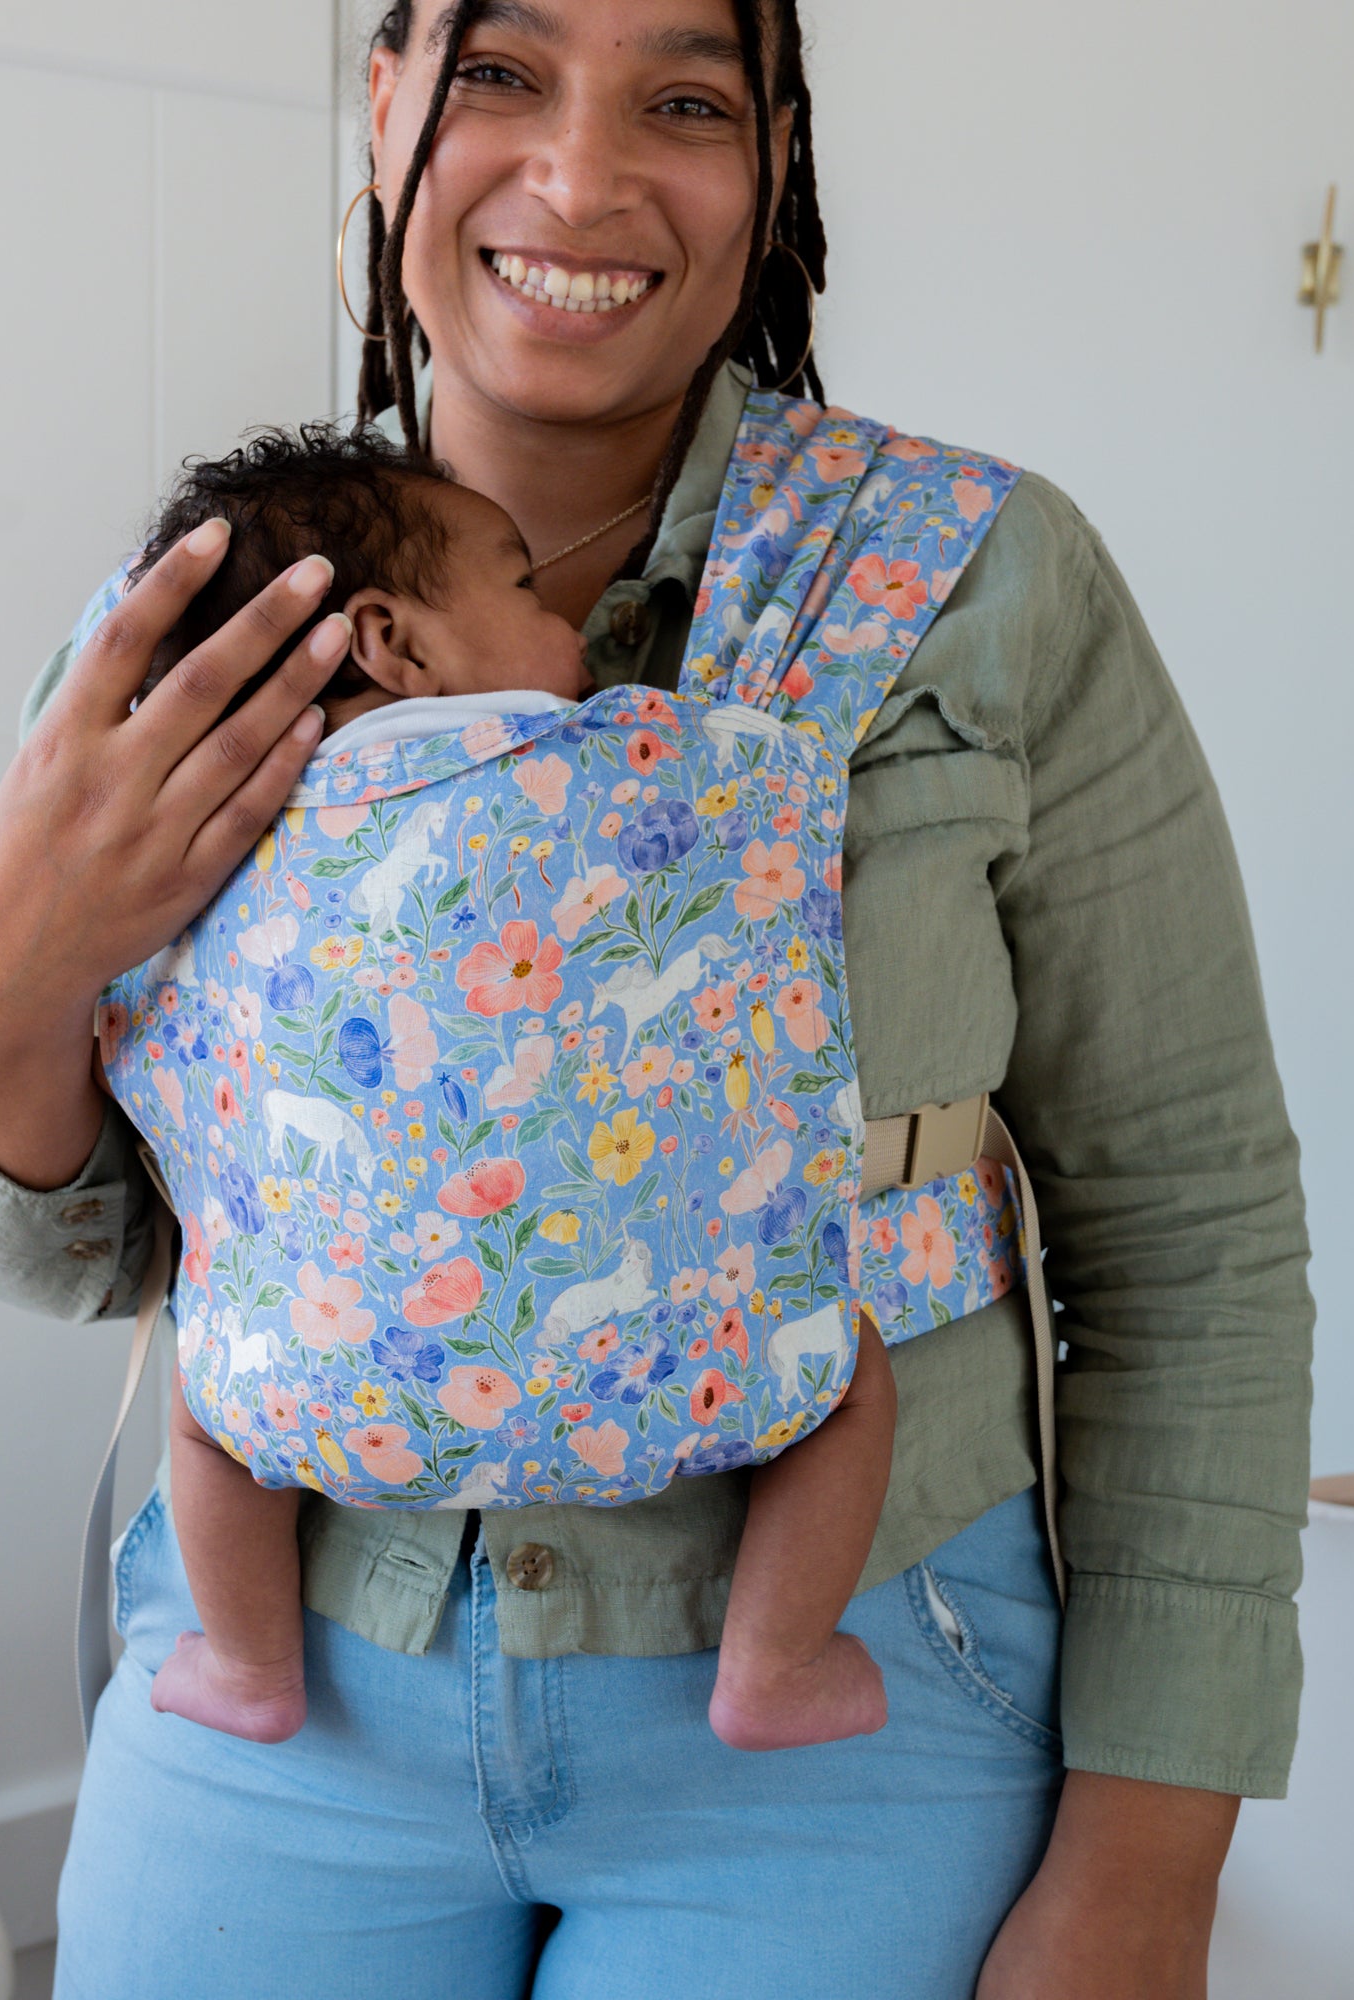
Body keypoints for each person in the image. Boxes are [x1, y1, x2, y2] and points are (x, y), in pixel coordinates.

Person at [0, 2, 1314, 1994]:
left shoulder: (977, 585)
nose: (580, 176)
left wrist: (1152, 1855)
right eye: (498, 72)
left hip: (859, 1695)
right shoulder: (210, 621)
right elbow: (83, 1252)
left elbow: (1192, 1233)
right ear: (384, 100)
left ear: (777, 157)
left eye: (687, 99)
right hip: (287, 1694)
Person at [111, 422, 900, 1755]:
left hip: (320, 1362)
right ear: (393, 641)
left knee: (207, 1405)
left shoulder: (205, 821)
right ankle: (776, 1663)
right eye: (525, 588)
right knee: (852, 1379)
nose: (569, 628)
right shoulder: (620, 754)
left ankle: (248, 1666)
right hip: (678, 1348)